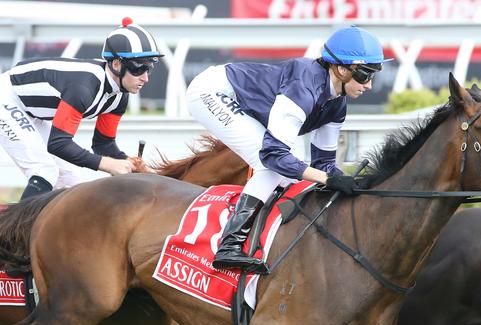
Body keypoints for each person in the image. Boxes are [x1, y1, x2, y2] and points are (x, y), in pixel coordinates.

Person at [187, 25, 390, 273]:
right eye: (365, 75)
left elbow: (323, 163)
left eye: (373, 75)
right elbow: (274, 156)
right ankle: (229, 245)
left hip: (240, 99)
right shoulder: (303, 89)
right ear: (341, 69)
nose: (369, 85)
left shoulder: (337, 105)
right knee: (270, 168)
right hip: (211, 91)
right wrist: (328, 178)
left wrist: (347, 182)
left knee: (287, 174)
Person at [0, 17, 163, 201]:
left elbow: (103, 144)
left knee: (71, 182)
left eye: (149, 68)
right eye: (139, 68)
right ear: (116, 64)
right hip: (7, 98)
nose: (145, 78)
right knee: (44, 170)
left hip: (33, 111)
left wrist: (128, 163)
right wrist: (108, 164)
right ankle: (13, 230)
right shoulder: (83, 87)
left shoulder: (119, 95)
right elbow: (59, 144)